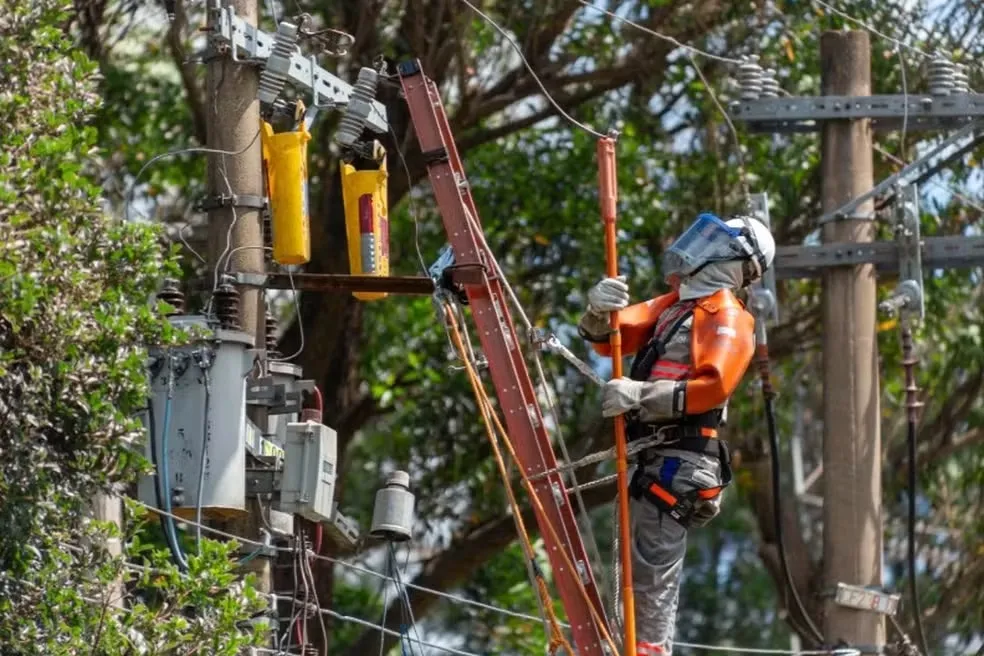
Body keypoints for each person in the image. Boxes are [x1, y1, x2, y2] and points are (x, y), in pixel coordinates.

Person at [577, 212, 776, 656]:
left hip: (679, 463)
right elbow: (610, 334)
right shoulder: (677, 306)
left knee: (649, 576)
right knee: (632, 574)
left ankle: (647, 651)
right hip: (655, 457)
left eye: (714, 239)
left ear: (733, 257)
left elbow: (713, 385)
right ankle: (627, 645)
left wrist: (639, 394)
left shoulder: (727, 314)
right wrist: (596, 310)